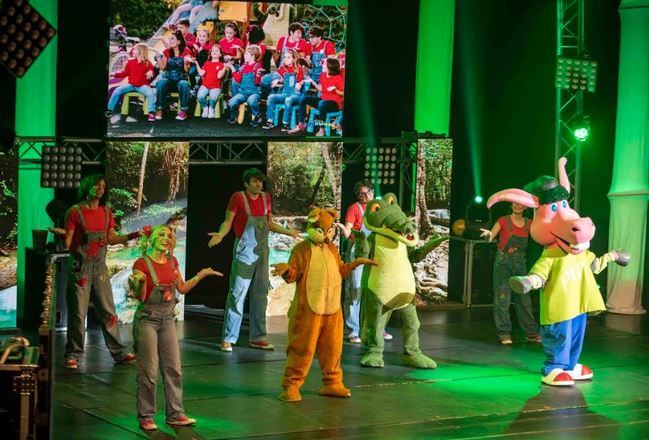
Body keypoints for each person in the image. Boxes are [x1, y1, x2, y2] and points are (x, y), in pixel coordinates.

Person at [129, 224, 222, 431]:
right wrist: (139, 283)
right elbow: (141, 297)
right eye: (161, 234)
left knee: (173, 369)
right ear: (151, 239)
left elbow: (181, 288)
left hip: (168, 319)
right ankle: (146, 416)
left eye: (170, 236)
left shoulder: (172, 261)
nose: (166, 238)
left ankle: (175, 414)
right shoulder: (141, 263)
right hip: (148, 319)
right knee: (149, 371)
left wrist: (201, 275)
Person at [207, 168, 300, 352]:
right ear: (246, 183)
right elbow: (228, 222)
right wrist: (221, 234)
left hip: (262, 251)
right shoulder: (238, 198)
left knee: (260, 295)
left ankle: (258, 337)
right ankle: (228, 338)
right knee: (237, 294)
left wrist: (290, 233)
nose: (259, 184)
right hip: (244, 251)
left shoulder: (266, 198)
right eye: (255, 181)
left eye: (261, 182)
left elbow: (270, 224)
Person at [62, 175, 140, 369]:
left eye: (103, 186)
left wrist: (133, 235)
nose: (99, 189)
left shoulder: (106, 212)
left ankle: (119, 352)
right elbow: (68, 242)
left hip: (100, 269)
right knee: (78, 314)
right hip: (80, 268)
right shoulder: (75, 212)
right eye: (96, 185)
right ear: (87, 186)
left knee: (108, 311)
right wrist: (85, 240)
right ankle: (73, 354)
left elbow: (112, 238)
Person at [337, 181, 392, 343]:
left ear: (373, 193)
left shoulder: (379, 208)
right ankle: (353, 330)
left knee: (376, 292)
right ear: (358, 195)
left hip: (376, 252)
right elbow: (348, 232)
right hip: (358, 252)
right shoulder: (354, 208)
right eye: (362, 194)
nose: (366, 196)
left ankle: (377, 328)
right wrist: (343, 230)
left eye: (368, 192)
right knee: (355, 291)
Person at [480, 202, 540, 345]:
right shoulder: (503, 220)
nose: (518, 206)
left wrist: (537, 210)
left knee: (524, 299)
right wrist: (488, 234)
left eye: (521, 204)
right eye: (515, 203)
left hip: (520, 264)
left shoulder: (529, 223)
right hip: (503, 263)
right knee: (502, 298)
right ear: (511, 205)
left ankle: (531, 333)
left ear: (525, 207)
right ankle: (504, 333)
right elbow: (490, 237)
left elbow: (540, 233)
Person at [289, 57, 344, 136]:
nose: (322, 65)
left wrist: (335, 89)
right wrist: (313, 82)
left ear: (330, 66)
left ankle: (322, 129)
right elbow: (321, 88)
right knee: (303, 98)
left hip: (335, 104)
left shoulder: (338, 78)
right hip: (323, 101)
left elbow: (343, 93)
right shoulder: (323, 75)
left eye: (324, 64)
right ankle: (301, 124)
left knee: (322, 103)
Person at [107, 43, 156, 123]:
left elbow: (151, 72)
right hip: (131, 84)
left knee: (150, 93)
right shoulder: (130, 62)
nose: (133, 50)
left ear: (141, 51)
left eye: (135, 49)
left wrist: (150, 72)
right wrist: (115, 74)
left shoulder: (148, 63)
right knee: (117, 90)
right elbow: (125, 73)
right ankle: (109, 110)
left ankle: (151, 112)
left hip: (142, 85)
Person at [155, 30, 193, 121]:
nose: (170, 41)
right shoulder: (167, 51)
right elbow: (163, 68)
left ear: (178, 41)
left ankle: (183, 111)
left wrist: (186, 62)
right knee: (161, 82)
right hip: (168, 78)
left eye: (172, 39)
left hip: (180, 79)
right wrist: (158, 58)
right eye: (169, 39)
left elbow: (186, 70)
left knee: (184, 84)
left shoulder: (186, 51)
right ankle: (160, 109)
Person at [262, 48, 304, 131]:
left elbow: (301, 81)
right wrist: (278, 80)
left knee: (288, 99)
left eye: (289, 57)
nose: (286, 59)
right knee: (271, 97)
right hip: (285, 93)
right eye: (285, 57)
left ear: (294, 58)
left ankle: (286, 123)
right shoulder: (282, 68)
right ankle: (270, 121)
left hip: (295, 94)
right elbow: (283, 80)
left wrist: (300, 84)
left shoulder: (298, 69)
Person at [226, 45, 264, 126]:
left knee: (251, 100)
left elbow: (257, 83)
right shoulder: (243, 67)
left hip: (254, 93)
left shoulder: (258, 66)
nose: (244, 56)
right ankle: (234, 115)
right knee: (231, 102)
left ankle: (258, 115)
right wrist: (232, 68)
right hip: (243, 93)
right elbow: (238, 79)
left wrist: (257, 75)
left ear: (253, 56)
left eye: (247, 55)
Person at [194, 44, 225, 118]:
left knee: (213, 97)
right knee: (200, 96)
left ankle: (211, 108)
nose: (214, 52)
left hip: (215, 86)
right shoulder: (207, 63)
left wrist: (225, 67)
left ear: (220, 54)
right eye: (213, 51)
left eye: (217, 51)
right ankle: (205, 108)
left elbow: (219, 76)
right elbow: (201, 73)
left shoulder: (221, 64)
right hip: (205, 85)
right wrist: (196, 63)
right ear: (210, 53)